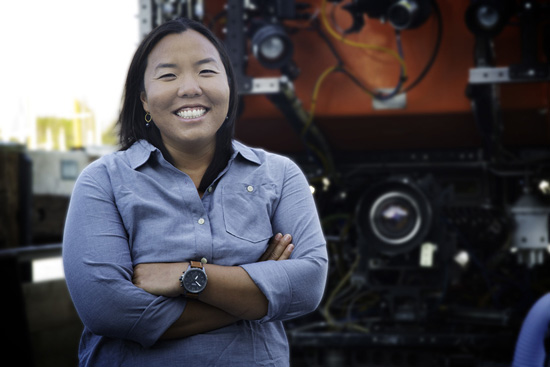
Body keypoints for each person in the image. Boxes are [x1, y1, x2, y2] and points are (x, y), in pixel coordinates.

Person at [63, 17, 328, 366]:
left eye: (206, 72)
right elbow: (107, 309)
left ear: (229, 88)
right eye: (168, 75)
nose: (189, 88)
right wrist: (254, 292)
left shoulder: (279, 175)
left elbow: (307, 285)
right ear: (143, 99)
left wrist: (185, 277)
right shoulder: (103, 182)